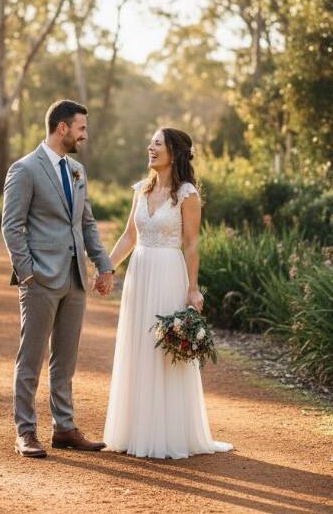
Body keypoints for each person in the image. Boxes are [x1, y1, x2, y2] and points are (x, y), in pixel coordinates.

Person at [102, 127, 233, 459]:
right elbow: (129, 238)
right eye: (151, 143)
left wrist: (193, 289)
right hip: (140, 274)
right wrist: (107, 267)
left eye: (157, 143)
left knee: (164, 353)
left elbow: (191, 245)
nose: (150, 147)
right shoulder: (140, 190)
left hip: (167, 275)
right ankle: (136, 431)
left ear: (173, 153)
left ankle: (169, 434)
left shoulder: (187, 195)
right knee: (139, 347)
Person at [1, 99, 115, 458]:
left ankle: (64, 428)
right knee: (31, 359)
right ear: (62, 128)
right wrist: (27, 272)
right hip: (40, 280)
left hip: (75, 279)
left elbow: (86, 223)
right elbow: (11, 225)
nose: (85, 134)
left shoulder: (77, 170)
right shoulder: (25, 169)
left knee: (65, 360)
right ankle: (26, 432)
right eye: (81, 128)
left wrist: (103, 264)